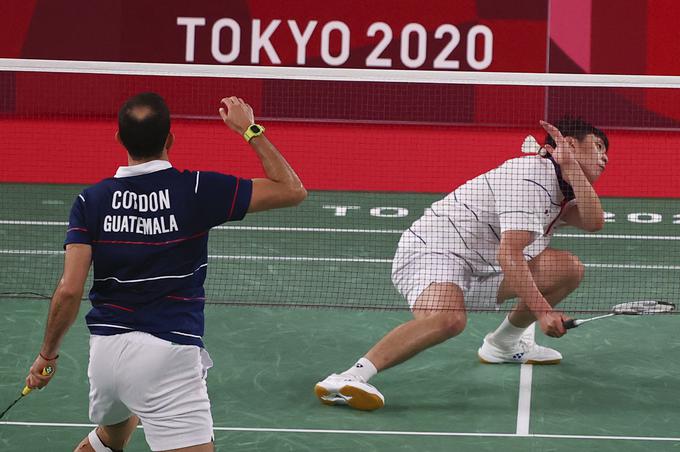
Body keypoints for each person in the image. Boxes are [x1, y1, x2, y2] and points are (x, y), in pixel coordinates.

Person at [25, 93, 307, 451]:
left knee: (109, 439)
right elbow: (292, 189)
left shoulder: (90, 201)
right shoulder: (197, 189)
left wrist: (47, 356)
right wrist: (249, 130)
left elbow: (69, 290)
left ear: (118, 139)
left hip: (106, 358)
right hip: (168, 355)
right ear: (170, 139)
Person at [315, 118, 609, 411]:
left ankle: (503, 345)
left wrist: (572, 168)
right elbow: (509, 255)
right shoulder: (530, 176)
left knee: (567, 268)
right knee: (448, 320)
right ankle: (349, 377)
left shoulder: (562, 185)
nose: (604, 157)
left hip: (480, 267)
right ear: (569, 143)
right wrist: (543, 313)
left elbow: (594, 222)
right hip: (434, 253)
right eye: (598, 147)